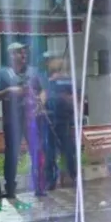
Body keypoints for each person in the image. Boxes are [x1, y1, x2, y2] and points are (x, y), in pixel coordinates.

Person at [0, 43, 42, 201]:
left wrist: (38, 102)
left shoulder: (32, 72)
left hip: (30, 119)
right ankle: (10, 188)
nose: (24, 55)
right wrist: (9, 91)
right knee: (12, 154)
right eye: (20, 52)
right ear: (11, 55)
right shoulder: (2, 74)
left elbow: (41, 91)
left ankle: (39, 184)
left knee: (37, 151)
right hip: (12, 121)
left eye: (25, 52)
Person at [40, 54, 78, 192]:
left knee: (68, 150)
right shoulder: (46, 80)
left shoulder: (66, 80)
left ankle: (73, 176)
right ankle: (50, 180)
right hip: (49, 119)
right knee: (50, 152)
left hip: (64, 120)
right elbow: (42, 97)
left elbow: (73, 99)